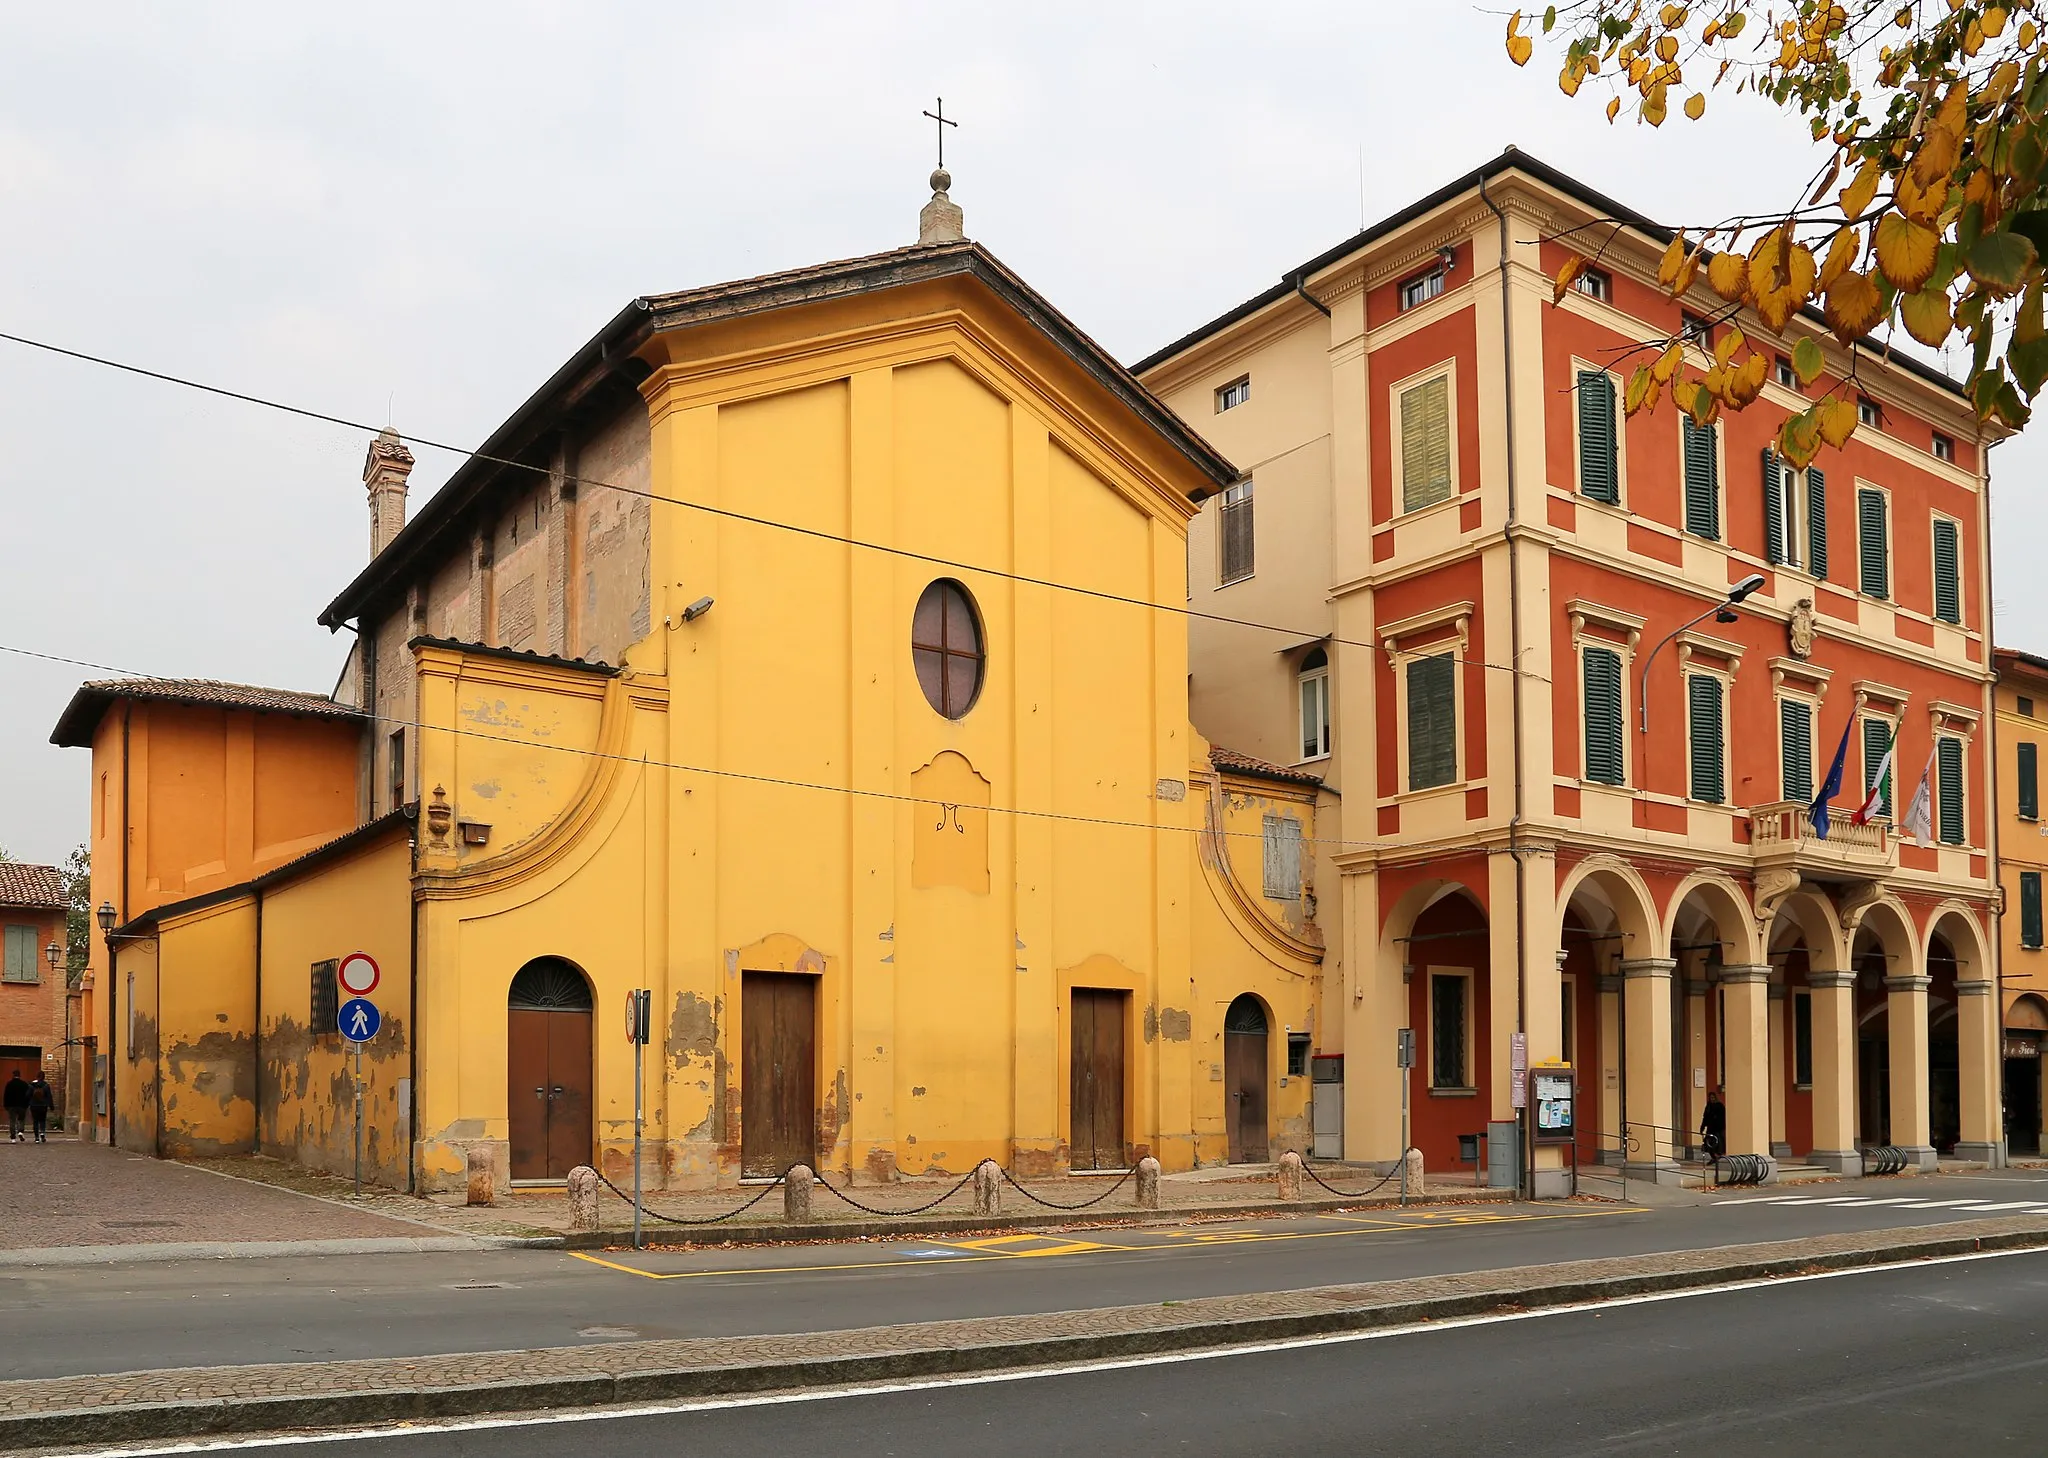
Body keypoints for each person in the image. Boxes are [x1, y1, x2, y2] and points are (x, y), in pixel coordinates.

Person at [1700, 1088, 1727, 1162]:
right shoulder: (1708, 1106)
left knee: (1718, 1143)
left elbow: (1723, 1117)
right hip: (1710, 1128)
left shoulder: (1720, 1106)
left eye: (1713, 1097)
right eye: (1710, 1098)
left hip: (1718, 1128)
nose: (1712, 1099)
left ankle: (1718, 1156)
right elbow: (1705, 1117)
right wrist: (1702, 1127)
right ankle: (1713, 1157)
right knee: (1708, 1143)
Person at [25, 1074, 53, 1143]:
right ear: (44, 1077)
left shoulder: (31, 1085)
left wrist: (27, 1103)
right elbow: (49, 1096)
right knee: (42, 1120)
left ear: (37, 1077)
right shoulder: (46, 1085)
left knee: (35, 1121)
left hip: (34, 1105)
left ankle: (36, 1137)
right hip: (43, 1106)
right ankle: (42, 1133)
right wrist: (51, 1106)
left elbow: (27, 1095)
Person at [2, 1072, 27, 1143]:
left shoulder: (9, 1084)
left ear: (13, 1075)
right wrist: (26, 1105)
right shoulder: (24, 1084)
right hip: (21, 1105)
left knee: (12, 1121)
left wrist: (5, 1105)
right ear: (20, 1075)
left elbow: (6, 1095)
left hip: (11, 1105)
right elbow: (27, 1095)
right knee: (21, 1119)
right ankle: (20, 1131)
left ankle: (13, 1137)